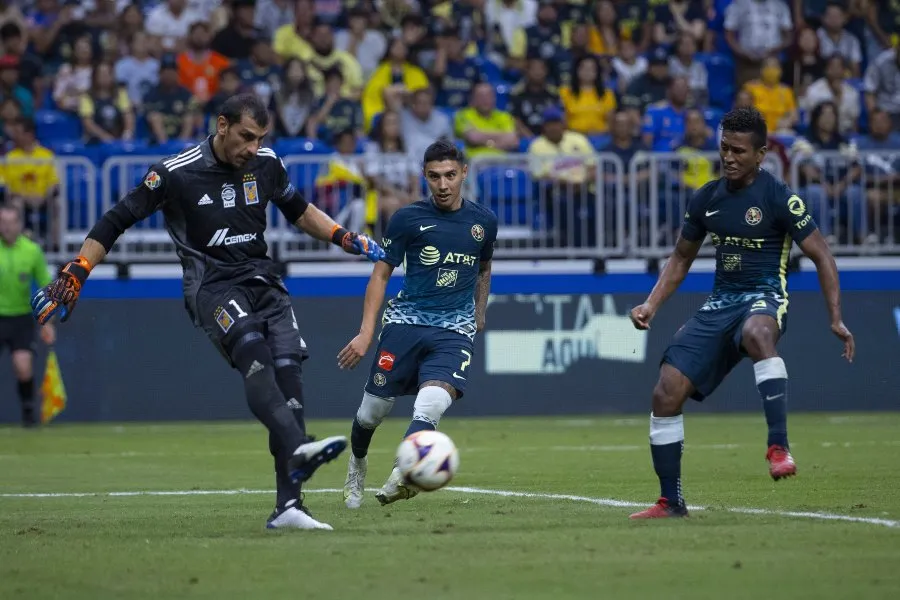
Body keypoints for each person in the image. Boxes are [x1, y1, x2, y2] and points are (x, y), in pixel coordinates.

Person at [30, 94, 385, 531]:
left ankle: (289, 507)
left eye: (259, 139)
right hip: (212, 287)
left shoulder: (268, 164)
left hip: (265, 283)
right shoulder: (174, 174)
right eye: (246, 137)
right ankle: (297, 446)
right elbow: (115, 219)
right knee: (255, 357)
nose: (252, 148)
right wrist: (80, 269)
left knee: (290, 374)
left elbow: (298, 211)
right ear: (222, 126)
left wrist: (344, 237)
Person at [628, 107, 855, 519]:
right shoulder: (707, 198)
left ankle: (778, 446)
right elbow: (680, 258)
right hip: (720, 303)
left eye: (738, 151)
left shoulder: (779, 197)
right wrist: (651, 303)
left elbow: (823, 256)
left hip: (764, 296)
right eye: (724, 149)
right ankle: (670, 501)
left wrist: (835, 318)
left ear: (761, 153)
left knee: (757, 334)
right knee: (665, 391)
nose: (729, 157)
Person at [336, 140, 498, 509]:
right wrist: (365, 332)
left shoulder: (483, 221)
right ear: (424, 176)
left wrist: (479, 311)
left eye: (450, 176)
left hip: (454, 328)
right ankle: (357, 465)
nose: (443, 185)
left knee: (433, 403)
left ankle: (403, 472)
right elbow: (379, 276)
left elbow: (484, 267)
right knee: (371, 413)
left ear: (464, 174)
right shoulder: (407, 219)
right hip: (405, 323)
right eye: (435, 177)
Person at [0, 205, 54, 427]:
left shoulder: (32, 251)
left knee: (23, 366)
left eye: (11, 222)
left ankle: (28, 410)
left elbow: (46, 287)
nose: (6, 227)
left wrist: (47, 323)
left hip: (20, 317)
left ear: (19, 224)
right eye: (2, 222)